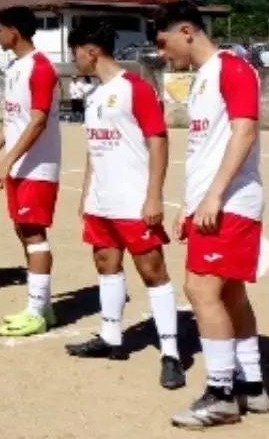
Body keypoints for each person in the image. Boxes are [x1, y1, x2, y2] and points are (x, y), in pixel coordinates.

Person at [153, 1, 269, 429]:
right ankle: (252, 386)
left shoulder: (232, 69)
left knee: (200, 290)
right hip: (210, 206)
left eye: (165, 44)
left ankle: (221, 394)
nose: (164, 55)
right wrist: (189, 202)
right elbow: (204, 148)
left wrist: (215, 196)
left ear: (187, 30)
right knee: (230, 294)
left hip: (230, 204)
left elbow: (245, 131)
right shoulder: (202, 79)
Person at [64, 19, 185, 390]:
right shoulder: (95, 94)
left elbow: (159, 141)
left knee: (152, 271)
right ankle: (111, 337)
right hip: (102, 201)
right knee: (106, 264)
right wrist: (87, 191)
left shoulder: (135, 88)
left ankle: (171, 353)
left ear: (91, 51)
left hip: (133, 200)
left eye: (75, 53)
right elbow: (93, 147)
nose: (73, 61)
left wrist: (153, 196)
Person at [0, 6, 62, 337]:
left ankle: (37, 312)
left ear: (13, 31)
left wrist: (8, 160)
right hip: (18, 165)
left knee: (33, 233)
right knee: (23, 230)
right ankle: (43, 306)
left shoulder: (40, 68)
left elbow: (38, 120)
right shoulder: (15, 66)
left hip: (37, 167)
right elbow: (13, 118)